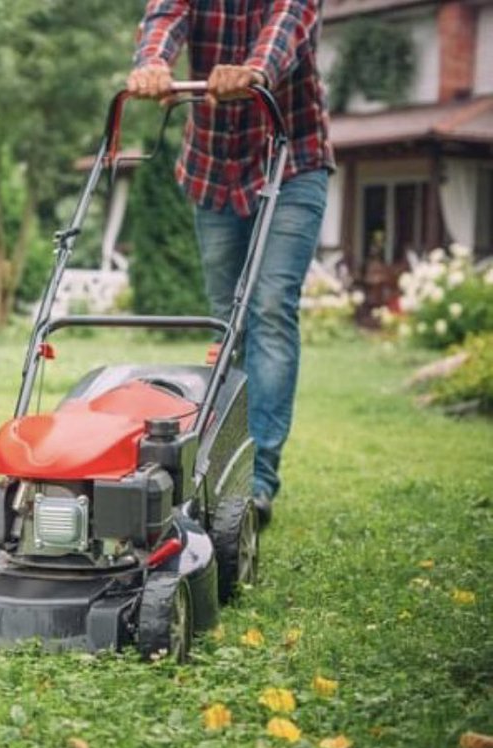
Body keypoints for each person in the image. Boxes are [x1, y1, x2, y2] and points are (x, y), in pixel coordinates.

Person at [127, 0, 334, 531]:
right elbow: (166, 13)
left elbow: (288, 19)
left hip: (292, 159)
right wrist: (153, 62)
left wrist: (255, 71)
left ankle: (260, 478)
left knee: (270, 306)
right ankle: (224, 465)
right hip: (214, 167)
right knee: (227, 320)